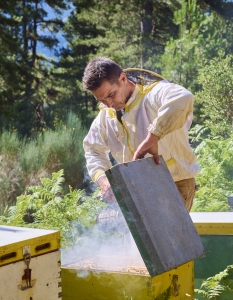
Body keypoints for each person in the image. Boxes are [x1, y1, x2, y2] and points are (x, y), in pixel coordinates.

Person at [82, 57, 200, 212]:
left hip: (174, 182)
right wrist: (105, 182)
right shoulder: (106, 115)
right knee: (134, 236)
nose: (109, 104)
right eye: (102, 100)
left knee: (163, 236)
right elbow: (93, 149)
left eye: (111, 95)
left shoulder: (155, 92)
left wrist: (153, 136)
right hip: (135, 189)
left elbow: (184, 98)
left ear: (123, 78)